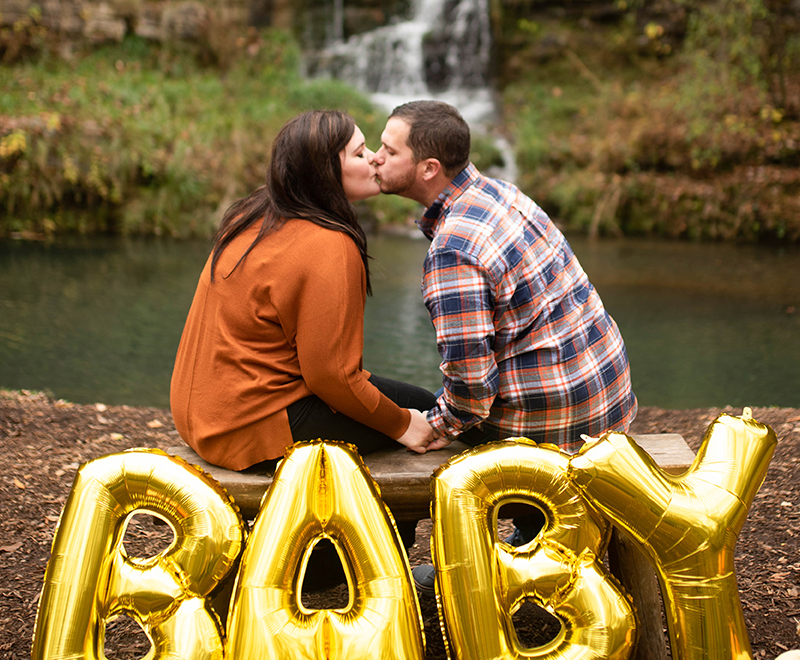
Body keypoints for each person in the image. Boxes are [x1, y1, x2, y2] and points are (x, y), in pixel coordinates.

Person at [372, 100, 637, 584]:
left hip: (551, 431)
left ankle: (422, 573)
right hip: (607, 403)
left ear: (428, 168)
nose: (374, 157)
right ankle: (537, 535)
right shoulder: (501, 194)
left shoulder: (454, 248)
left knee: (396, 424)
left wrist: (433, 427)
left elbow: (472, 393)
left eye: (388, 151)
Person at [170, 109, 436, 477]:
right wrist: (402, 426)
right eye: (359, 154)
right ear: (326, 171)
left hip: (200, 414)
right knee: (425, 418)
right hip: (247, 428)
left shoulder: (255, 212)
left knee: (416, 403)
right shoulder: (330, 244)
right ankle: (379, 534)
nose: (375, 157)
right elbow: (331, 377)